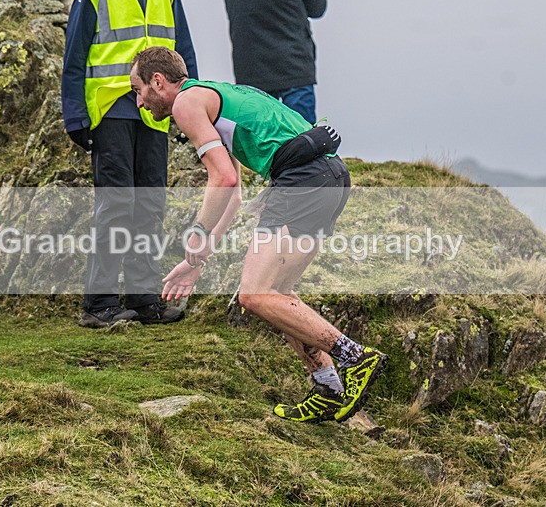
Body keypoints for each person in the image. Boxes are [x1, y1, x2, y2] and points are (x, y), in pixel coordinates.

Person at [129, 46, 388, 423]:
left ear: (157, 81)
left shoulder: (186, 103)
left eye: (138, 90)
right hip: (330, 175)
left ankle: (355, 357)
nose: (139, 102)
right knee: (276, 292)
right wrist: (197, 260)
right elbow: (233, 194)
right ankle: (328, 388)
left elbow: (223, 179)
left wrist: (198, 231)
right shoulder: (214, 97)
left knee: (255, 294)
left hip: (302, 179)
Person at [62, 0, 198, 328]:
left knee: (150, 203)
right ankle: (99, 304)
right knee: (117, 203)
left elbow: (181, 47)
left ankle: (144, 300)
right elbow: (74, 50)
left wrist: (192, 99)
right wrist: (74, 113)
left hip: (157, 110)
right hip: (111, 107)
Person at [217, 0, 327, 125]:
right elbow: (317, 6)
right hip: (293, 63)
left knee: (260, 136)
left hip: (250, 67)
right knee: (302, 135)